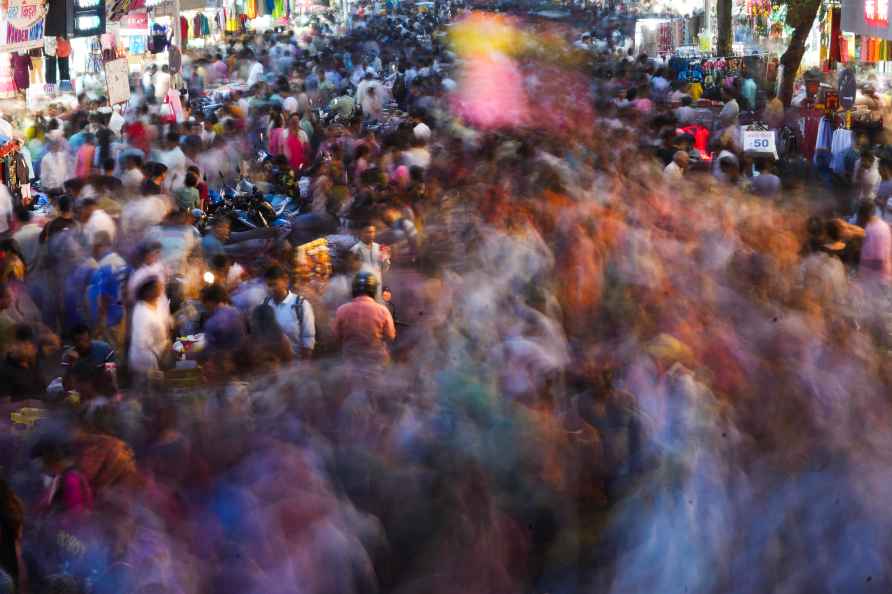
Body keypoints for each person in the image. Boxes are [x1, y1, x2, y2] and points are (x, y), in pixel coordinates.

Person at [334, 271, 396, 366]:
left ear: (354, 290)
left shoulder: (342, 310)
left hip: (350, 363)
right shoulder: (383, 311)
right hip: (376, 364)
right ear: (374, 290)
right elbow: (390, 336)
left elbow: (336, 337)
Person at [86, 231, 128, 351]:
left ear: (98, 246)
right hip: (123, 315)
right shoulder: (121, 261)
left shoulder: (103, 267)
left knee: (110, 353)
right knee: (120, 350)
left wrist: (101, 320)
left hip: (110, 318)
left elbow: (103, 296)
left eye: (94, 247)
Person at [263, 265, 315, 358]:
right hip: (272, 366)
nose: (271, 289)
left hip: (296, 364)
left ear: (285, 281)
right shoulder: (265, 304)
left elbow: (308, 338)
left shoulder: (300, 305)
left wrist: (304, 364)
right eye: (268, 285)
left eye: (274, 284)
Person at [128, 276, 171, 379]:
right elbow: (142, 343)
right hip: (146, 360)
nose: (161, 288)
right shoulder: (141, 312)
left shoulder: (158, 303)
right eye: (157, 287)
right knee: (149, 390)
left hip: (159, 355)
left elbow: (166, 322)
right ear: (147, 292)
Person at [0, 324, 47, 399]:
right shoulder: (4, 371)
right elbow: (4, 405)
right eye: (23, 342)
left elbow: (43, 392)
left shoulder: (33, 363)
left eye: (30, 342)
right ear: (9, 347)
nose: (29, 346)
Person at [350, 224, 390, 300]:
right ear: (361, 233)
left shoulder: (380, 248)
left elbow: (384, 269)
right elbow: (352, 271)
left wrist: (386, 259)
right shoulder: (355, 250)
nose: (371, 234)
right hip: (362, 287)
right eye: (368, 232)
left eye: (373, 232)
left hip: (378, 284)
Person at [859, 201, 892, 284]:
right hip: (884, 274)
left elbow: (878, 261)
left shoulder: (871, 230)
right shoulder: (883, 224)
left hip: (878, 279)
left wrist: (861, 276)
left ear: (863, 215)